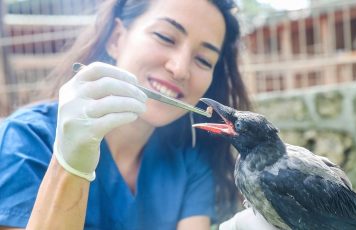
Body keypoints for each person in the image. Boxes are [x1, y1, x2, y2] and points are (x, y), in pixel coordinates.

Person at [0, 0, 271, 229]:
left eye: (203, 60)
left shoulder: (191, 158)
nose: (180, 69)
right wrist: (69, 166)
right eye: (165, 37)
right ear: (117, 38)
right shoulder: (25, 140)